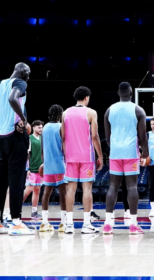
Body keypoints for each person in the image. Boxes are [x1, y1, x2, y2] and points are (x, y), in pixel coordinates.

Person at [0, 62, 34, 235]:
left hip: (2, 138)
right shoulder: (20, 83)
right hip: (16, 137)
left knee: (1, 180)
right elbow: (12, 98)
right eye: (29, 74)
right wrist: (23, 119)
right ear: (23, 73)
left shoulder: (0, 84)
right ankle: (16, 222)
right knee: (17, 179)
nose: (29, 77)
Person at [103, 82, 149, 235]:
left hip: (115, 152)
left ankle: (108, 224)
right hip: (130, 153)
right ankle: (133, 225)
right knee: (131, 187)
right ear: (131, 92)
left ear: (118, 92)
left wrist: (114, 147)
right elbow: (142, 136)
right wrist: (145, 153)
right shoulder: (138, 110)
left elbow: (107, 137)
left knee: (113, 187)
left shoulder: (109, 110)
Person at [61, 86, 103, 234]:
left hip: (70, 156)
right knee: (87, 189)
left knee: (70, 189)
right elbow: (94, 136)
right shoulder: (91, 112)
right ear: (86, 97)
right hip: (86, 156)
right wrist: (101, 156)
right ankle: (86, 224)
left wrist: (66, 154)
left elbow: (63, 137)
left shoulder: (65, 113)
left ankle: (69, 224)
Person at [40, 105, 67, 232]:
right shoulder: (61, 126)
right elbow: (65, 146)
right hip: (60, 163)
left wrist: (44, 163)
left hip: (48, 164)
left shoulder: (44, 127)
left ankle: (44, 222)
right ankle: (63, 223)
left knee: (46, 193)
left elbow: (42, 149)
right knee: (63, 193)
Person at [23, 120, 44, 219]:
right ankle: (14, 209)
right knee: (28, 190)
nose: (41, 129)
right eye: (39, 127)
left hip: (40, 170)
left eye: (42, 127)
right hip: (31, 169)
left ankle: (34, 212)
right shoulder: (30, 138)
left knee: (37, 191)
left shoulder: (43, 139)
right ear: (33, 127)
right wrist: (27, 169)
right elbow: (27, 155)